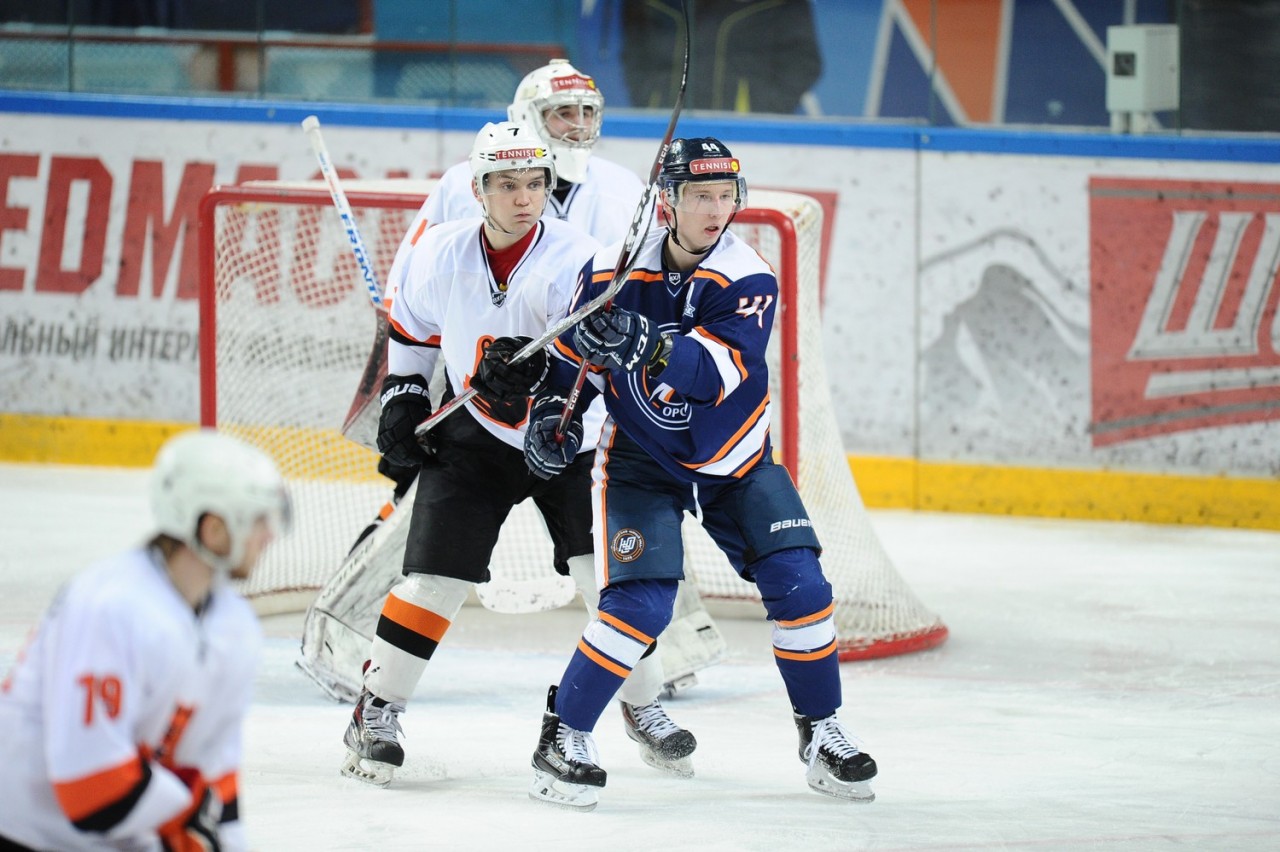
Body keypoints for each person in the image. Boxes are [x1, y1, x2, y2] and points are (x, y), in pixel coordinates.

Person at [511, 137, 878, 810]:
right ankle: (563, 736)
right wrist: (553, 417)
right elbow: (572, 360)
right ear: (667, 202)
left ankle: (820, 730)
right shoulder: (610, 271)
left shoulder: (746, 277)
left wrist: (644, 343)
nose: (716, 209)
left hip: (737, 461)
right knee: (639, 606)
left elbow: (712, 375)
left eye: (725, 195)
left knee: (802, 587)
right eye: (700, 196)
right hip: (640, 462)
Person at [338, 120, 698, 789]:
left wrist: (543, 380)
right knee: (434, 582)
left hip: (574, 440)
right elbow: (413, 332)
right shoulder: (439, 252)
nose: (525, 197)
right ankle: (376, 709)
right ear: (478, 190)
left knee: (608, 584)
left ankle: (642, 705)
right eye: (507, 185)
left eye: (535, 183)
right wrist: (404, 395)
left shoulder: (579, 258)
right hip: (478, 436)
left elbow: (597, 362)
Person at [0, 429, 291, 851]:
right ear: (212, 528)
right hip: (27, 832)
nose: (269, 535)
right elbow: (90, 790)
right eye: (257, 520)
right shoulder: (109, 606)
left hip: (117, 830)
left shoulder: (235, 626)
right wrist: (186, 820)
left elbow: (214, 773)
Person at [621, 0, 823, 115]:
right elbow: (635, 55)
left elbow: (803, 62)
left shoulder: (778, 4)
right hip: (666, 130)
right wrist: (651, 100)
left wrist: (761, 109)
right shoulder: (652, 4)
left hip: (745, 135)